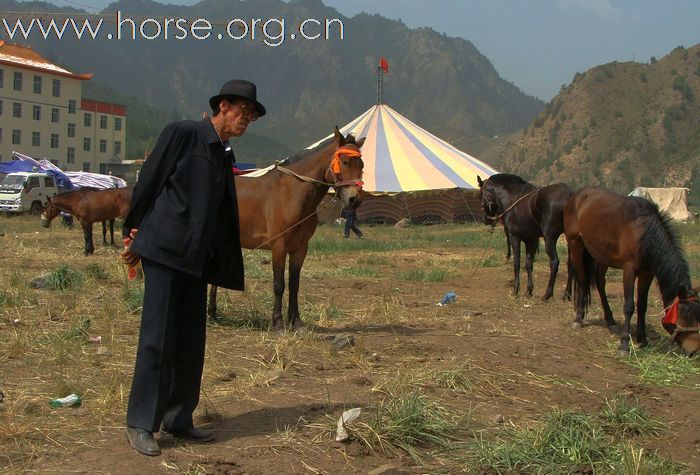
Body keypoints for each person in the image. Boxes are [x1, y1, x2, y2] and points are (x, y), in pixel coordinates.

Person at [121, 79, 265, 456]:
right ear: (222, 106)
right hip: (166, 251)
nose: (247, 119)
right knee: (159, 338)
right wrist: (132, 231)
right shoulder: (185, 133)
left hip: (195, 260)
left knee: (190, 342)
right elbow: (150, 180)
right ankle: (141, 423)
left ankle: (179, 418)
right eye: (243, 111)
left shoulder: (223, 153)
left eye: (251, 116)